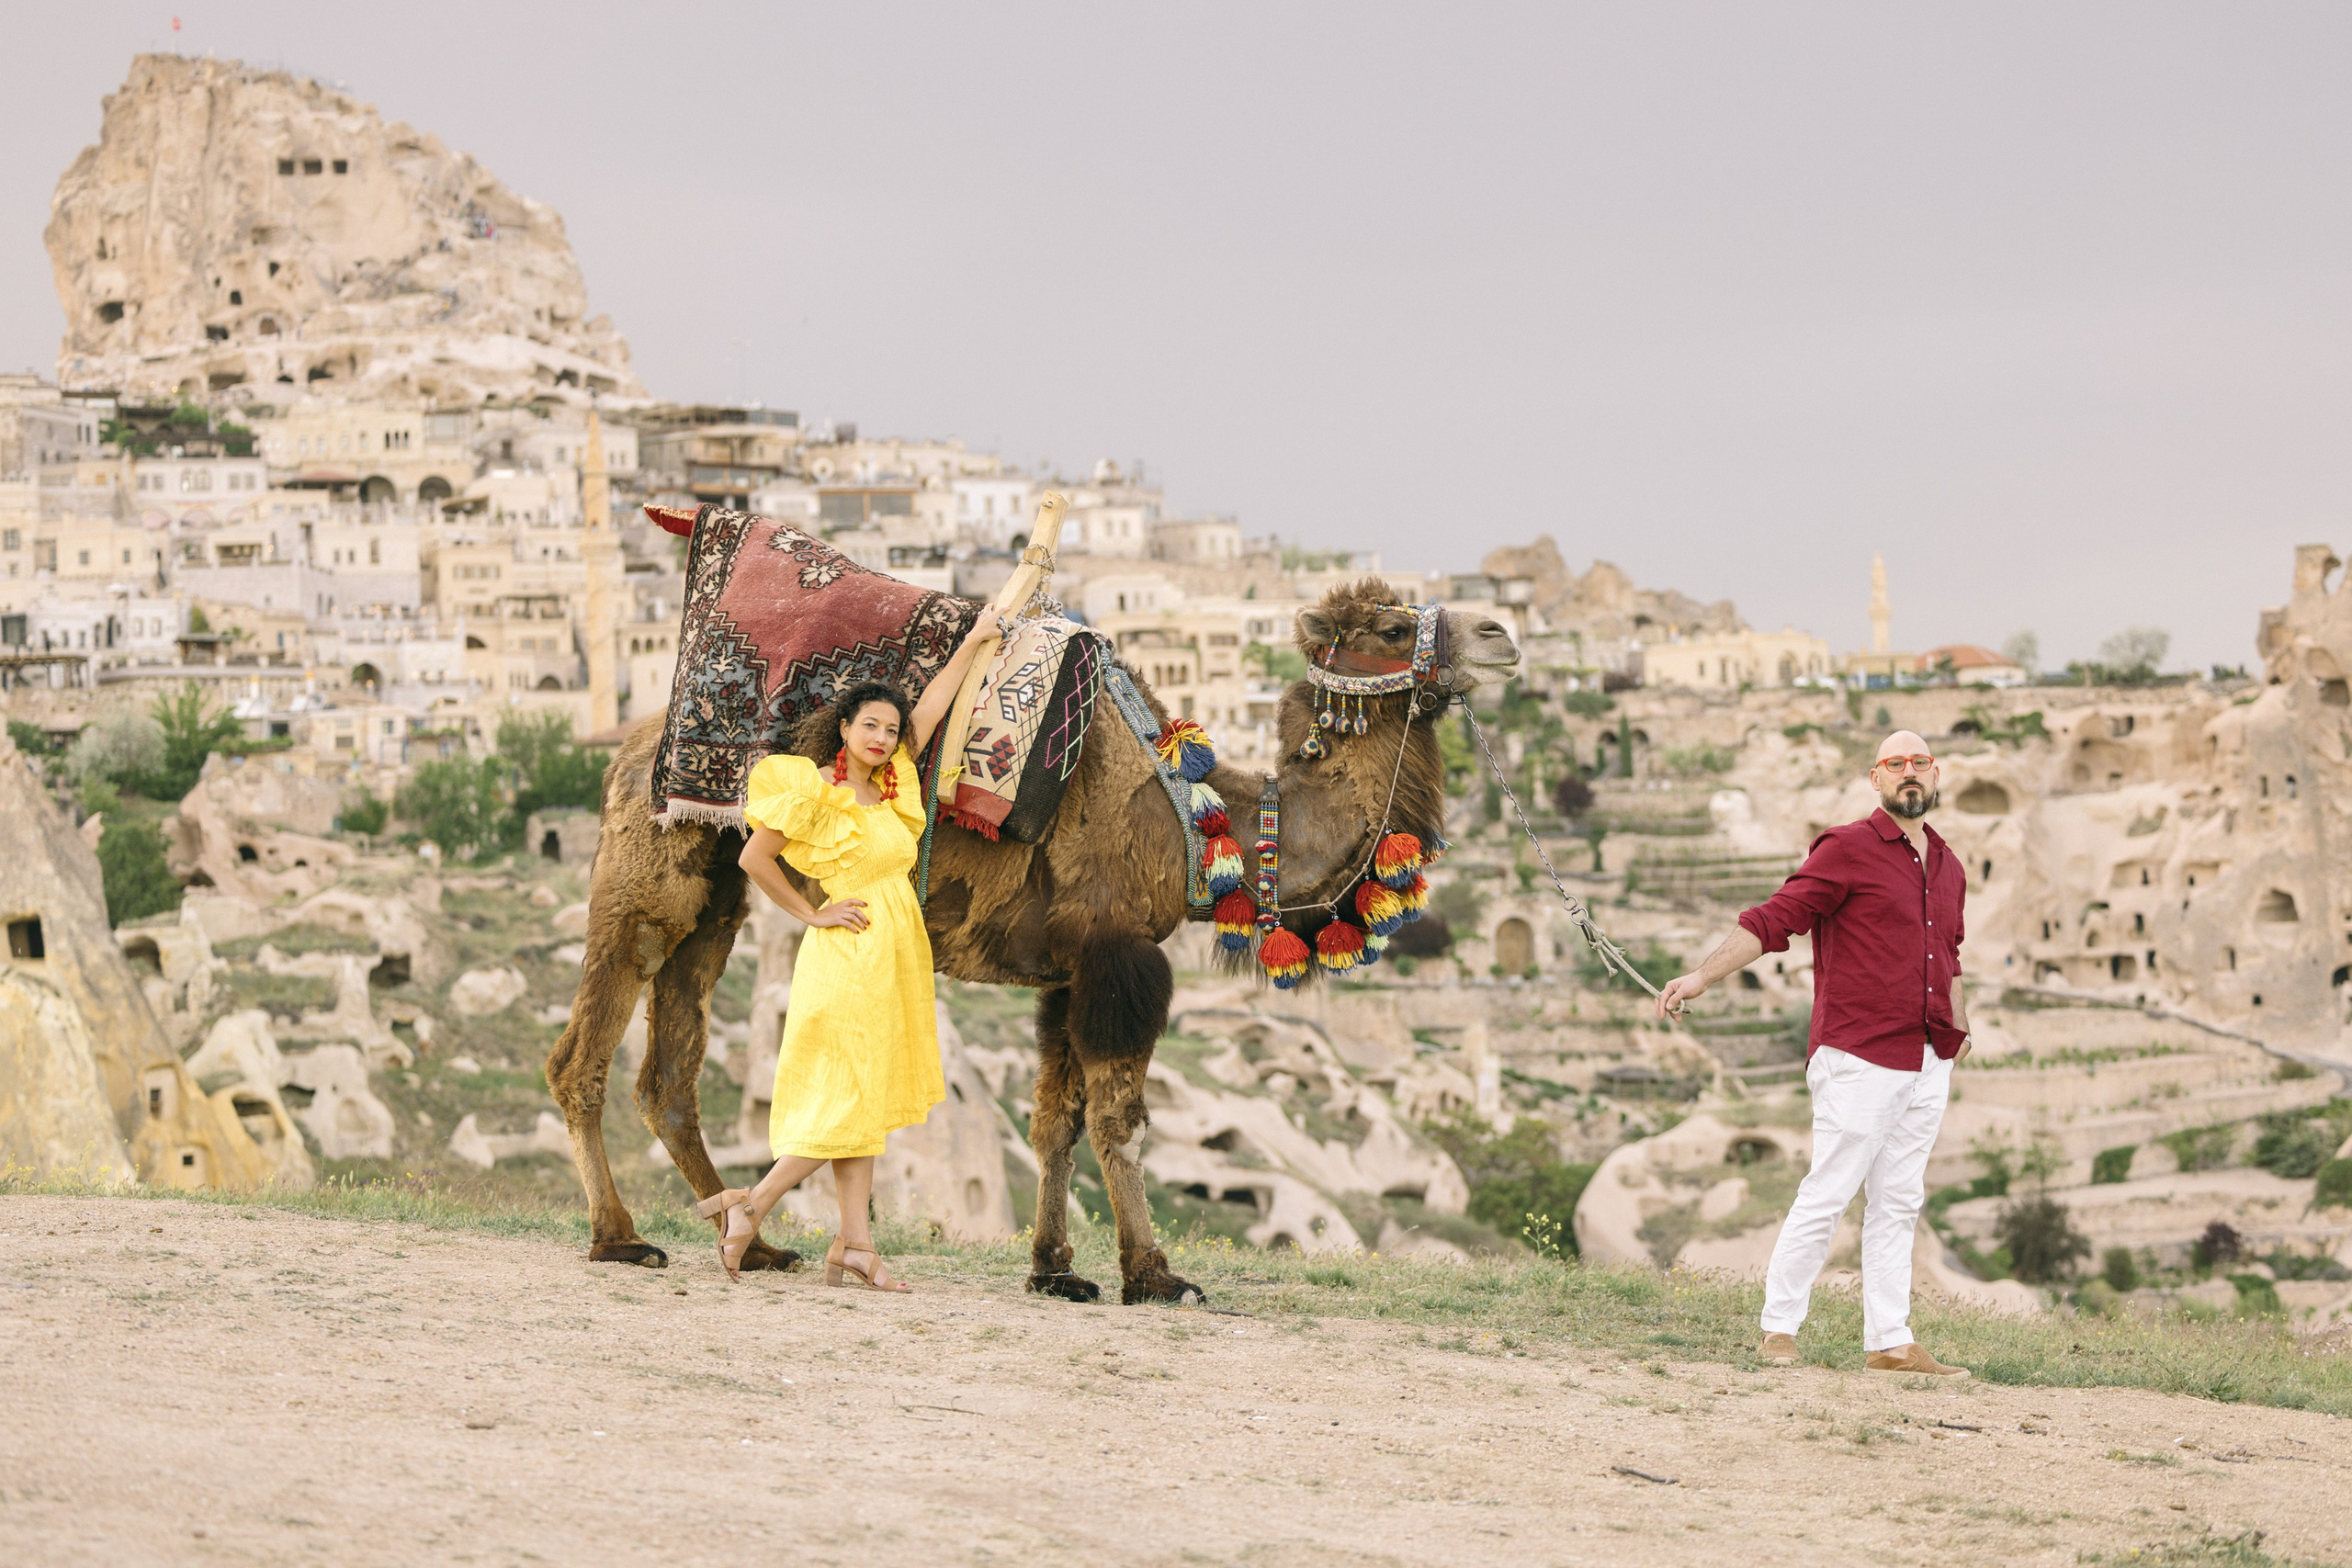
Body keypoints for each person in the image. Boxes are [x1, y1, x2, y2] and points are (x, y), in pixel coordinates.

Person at [695, 611, 1006, 1289]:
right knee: (847, 1101)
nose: (883, 737)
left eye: (891, 730)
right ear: (844, 727)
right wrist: (814, 912)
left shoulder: (893, 780)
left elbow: (928, 708)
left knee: (861, 1102)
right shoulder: (821, 793)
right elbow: (755, 857)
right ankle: (750, 1206)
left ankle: (855, 1243)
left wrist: (978, 640)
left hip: (891, 956)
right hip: (848, 958)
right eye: (870, 725)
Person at [1655, 729, 1973, 1379]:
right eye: (1896, 764)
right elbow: (1777, 917)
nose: (1909, 773)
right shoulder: (1847, 847)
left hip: (1928, 1056)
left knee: (1899, 1200)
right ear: (1876, 778)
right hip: (1859, 1052)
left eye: (1920, 763)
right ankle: (1779, 1328)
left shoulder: (1948, 864)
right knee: (1830, 1189)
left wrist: (1958, 1029)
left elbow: (1951, 955)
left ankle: (1890, 1339)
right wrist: (1701, 977)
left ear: (1936, 774)